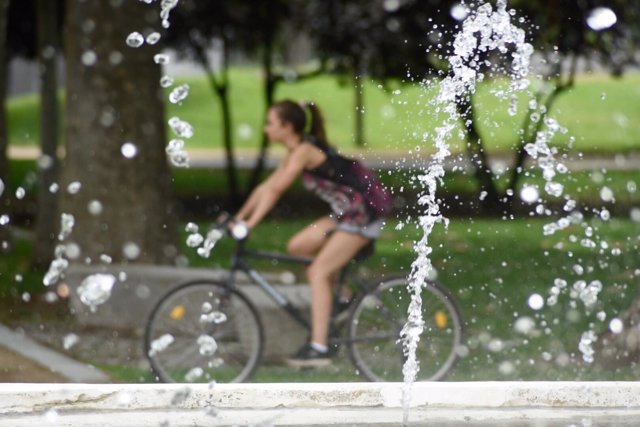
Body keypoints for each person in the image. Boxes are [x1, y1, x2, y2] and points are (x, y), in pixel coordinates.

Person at [234, 99, 389, 367]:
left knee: (317, 272)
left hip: (362, 214)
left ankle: (319, 348)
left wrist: (250, 225)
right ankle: (343, 298)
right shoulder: (294, 151)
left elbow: (276, 190)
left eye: (270, 123)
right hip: (345, 214)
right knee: (298, 246)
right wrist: (238, 218)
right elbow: (264, 188)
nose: (265, 128)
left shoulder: (304, 151)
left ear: (287, 126)